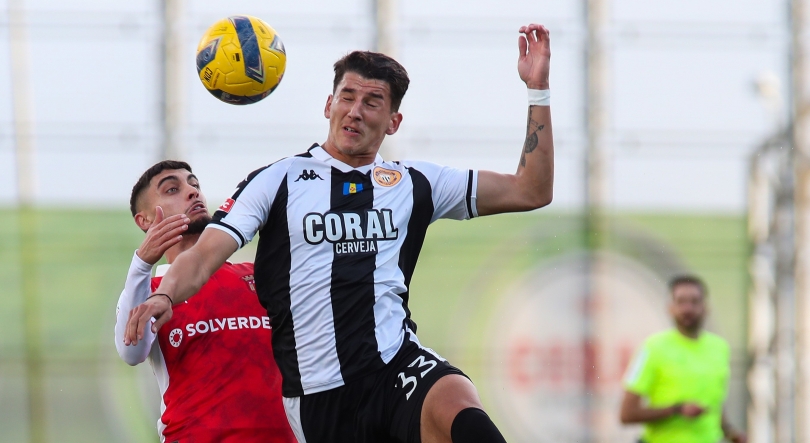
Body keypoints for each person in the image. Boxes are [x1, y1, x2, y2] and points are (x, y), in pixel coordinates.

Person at [125, 23, 554, 443]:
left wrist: (538, 91)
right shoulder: (278, 180)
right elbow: (202, 258)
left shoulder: (415, 182)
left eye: (372, 101)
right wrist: (164, 295)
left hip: (394, 365)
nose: (355, 110)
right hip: (319, 396)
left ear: (393, 121)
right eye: (347, 96)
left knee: (462, 411)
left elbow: (530, 190)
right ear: (328, 105)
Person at [114, 160, 295, 443]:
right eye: (173, 189)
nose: (192, 192)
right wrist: (141, 263)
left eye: (194, 185)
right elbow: (131, 353)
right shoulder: (151, 290)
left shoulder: (259, 277)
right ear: (145, 220)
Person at [620, 276, 746, 443]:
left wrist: (730, 432)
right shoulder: (652, 348)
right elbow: (627, 414)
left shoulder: (719, 347)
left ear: (706, 307)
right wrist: (676, 410)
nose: (688, 309)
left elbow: (714, 403)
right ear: (670, 308)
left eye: (694, 302)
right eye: (681, 302)